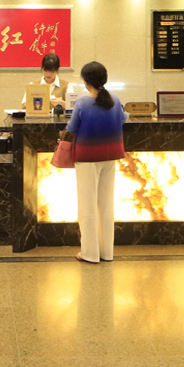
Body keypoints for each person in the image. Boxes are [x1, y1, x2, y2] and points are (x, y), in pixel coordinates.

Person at [66, 61, 126, 264]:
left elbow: (72, 128)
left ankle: (90, 253)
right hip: (110, 156)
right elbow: (123, 118)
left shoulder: (82, 103)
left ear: (85, 82)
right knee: (106, 205)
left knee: (88, 206)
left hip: (87, 158)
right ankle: (107, 252)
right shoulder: (115, 100)